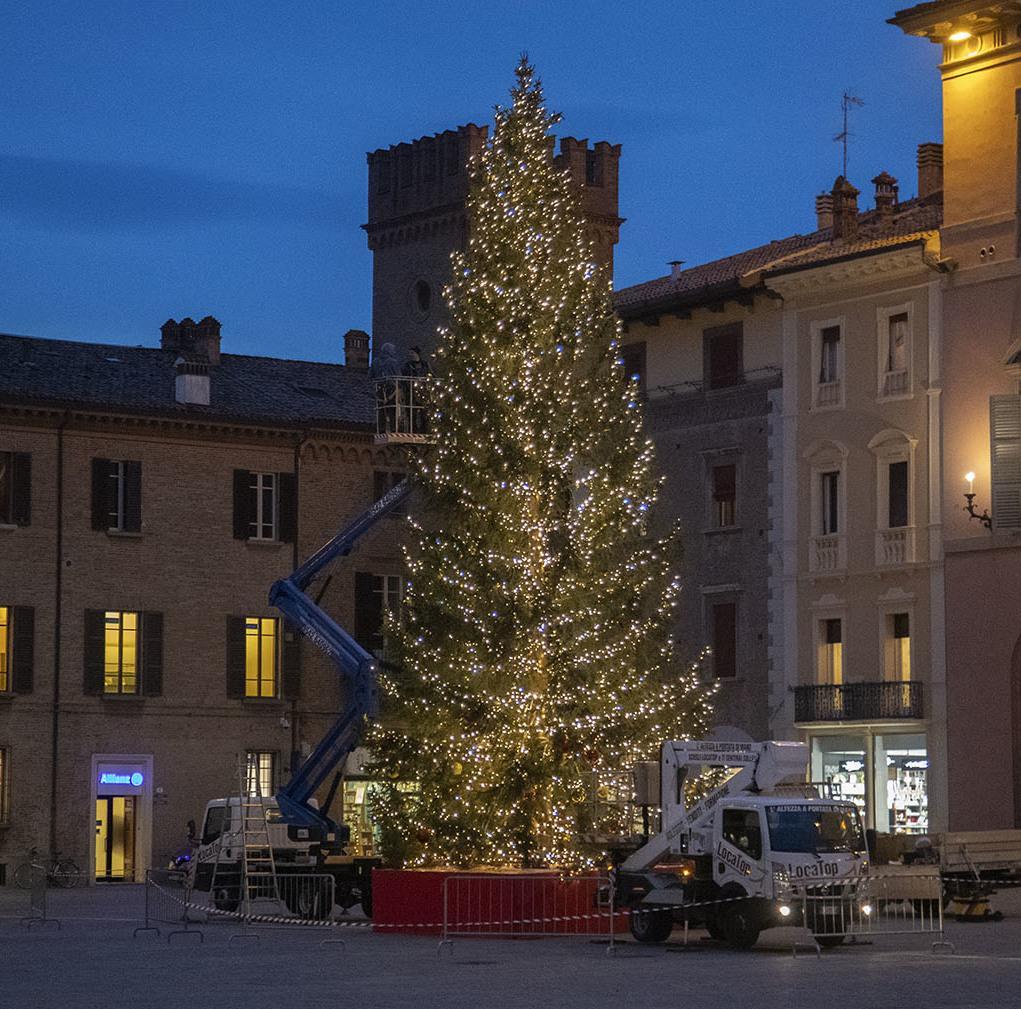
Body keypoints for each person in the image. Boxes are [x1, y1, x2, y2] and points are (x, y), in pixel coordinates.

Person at [370, 342, 400, 432]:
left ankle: (381, 428)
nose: (394, 352)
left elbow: (370, 375)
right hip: (391, 388)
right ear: (389, 351)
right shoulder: (393, 362)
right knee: (392, 410)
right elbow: (399, 376)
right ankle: (393, 428)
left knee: (381, 410)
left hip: (379, 388)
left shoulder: (375, 362)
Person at [401, 346, 432, 433]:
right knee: (412, 413)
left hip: (423, 391)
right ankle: (413, 430)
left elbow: (432, 374)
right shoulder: (407, 366)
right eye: (409, 353)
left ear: (417, 354)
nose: (410, 355)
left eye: (412, 353)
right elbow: (403, 377)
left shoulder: (425, 364)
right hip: (411, 392)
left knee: (424, 412)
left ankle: (425, 430)